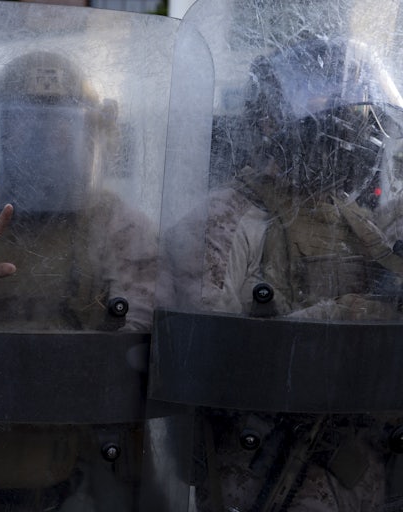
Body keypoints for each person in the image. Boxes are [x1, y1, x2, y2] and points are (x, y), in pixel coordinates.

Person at [0, 51, 158, 511]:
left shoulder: (119, 226)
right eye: (24, 121)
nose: (47, 137)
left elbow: (135, 349)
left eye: (63, 122)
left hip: (84, 481)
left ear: (93, 133)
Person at [171, 37, 400, 511]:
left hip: (361, 478)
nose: (347, 129)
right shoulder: (228, 220)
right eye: (329, 110)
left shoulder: (354, 217)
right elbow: (209, 364)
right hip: (263, 477)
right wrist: (338, 319)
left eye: (356, 115)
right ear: (272, 120)